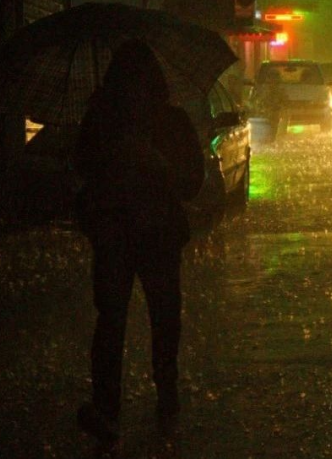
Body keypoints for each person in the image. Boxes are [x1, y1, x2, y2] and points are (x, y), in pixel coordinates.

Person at [72, 39, 204, 448]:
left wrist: (157, 163)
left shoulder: (170, 123)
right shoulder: (101, 121)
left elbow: (191, 181)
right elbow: (80, 170)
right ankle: (109, 407)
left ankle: (164, 393)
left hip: (155, 234)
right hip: (117, 233)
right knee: (115, 320)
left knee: (159, 316)